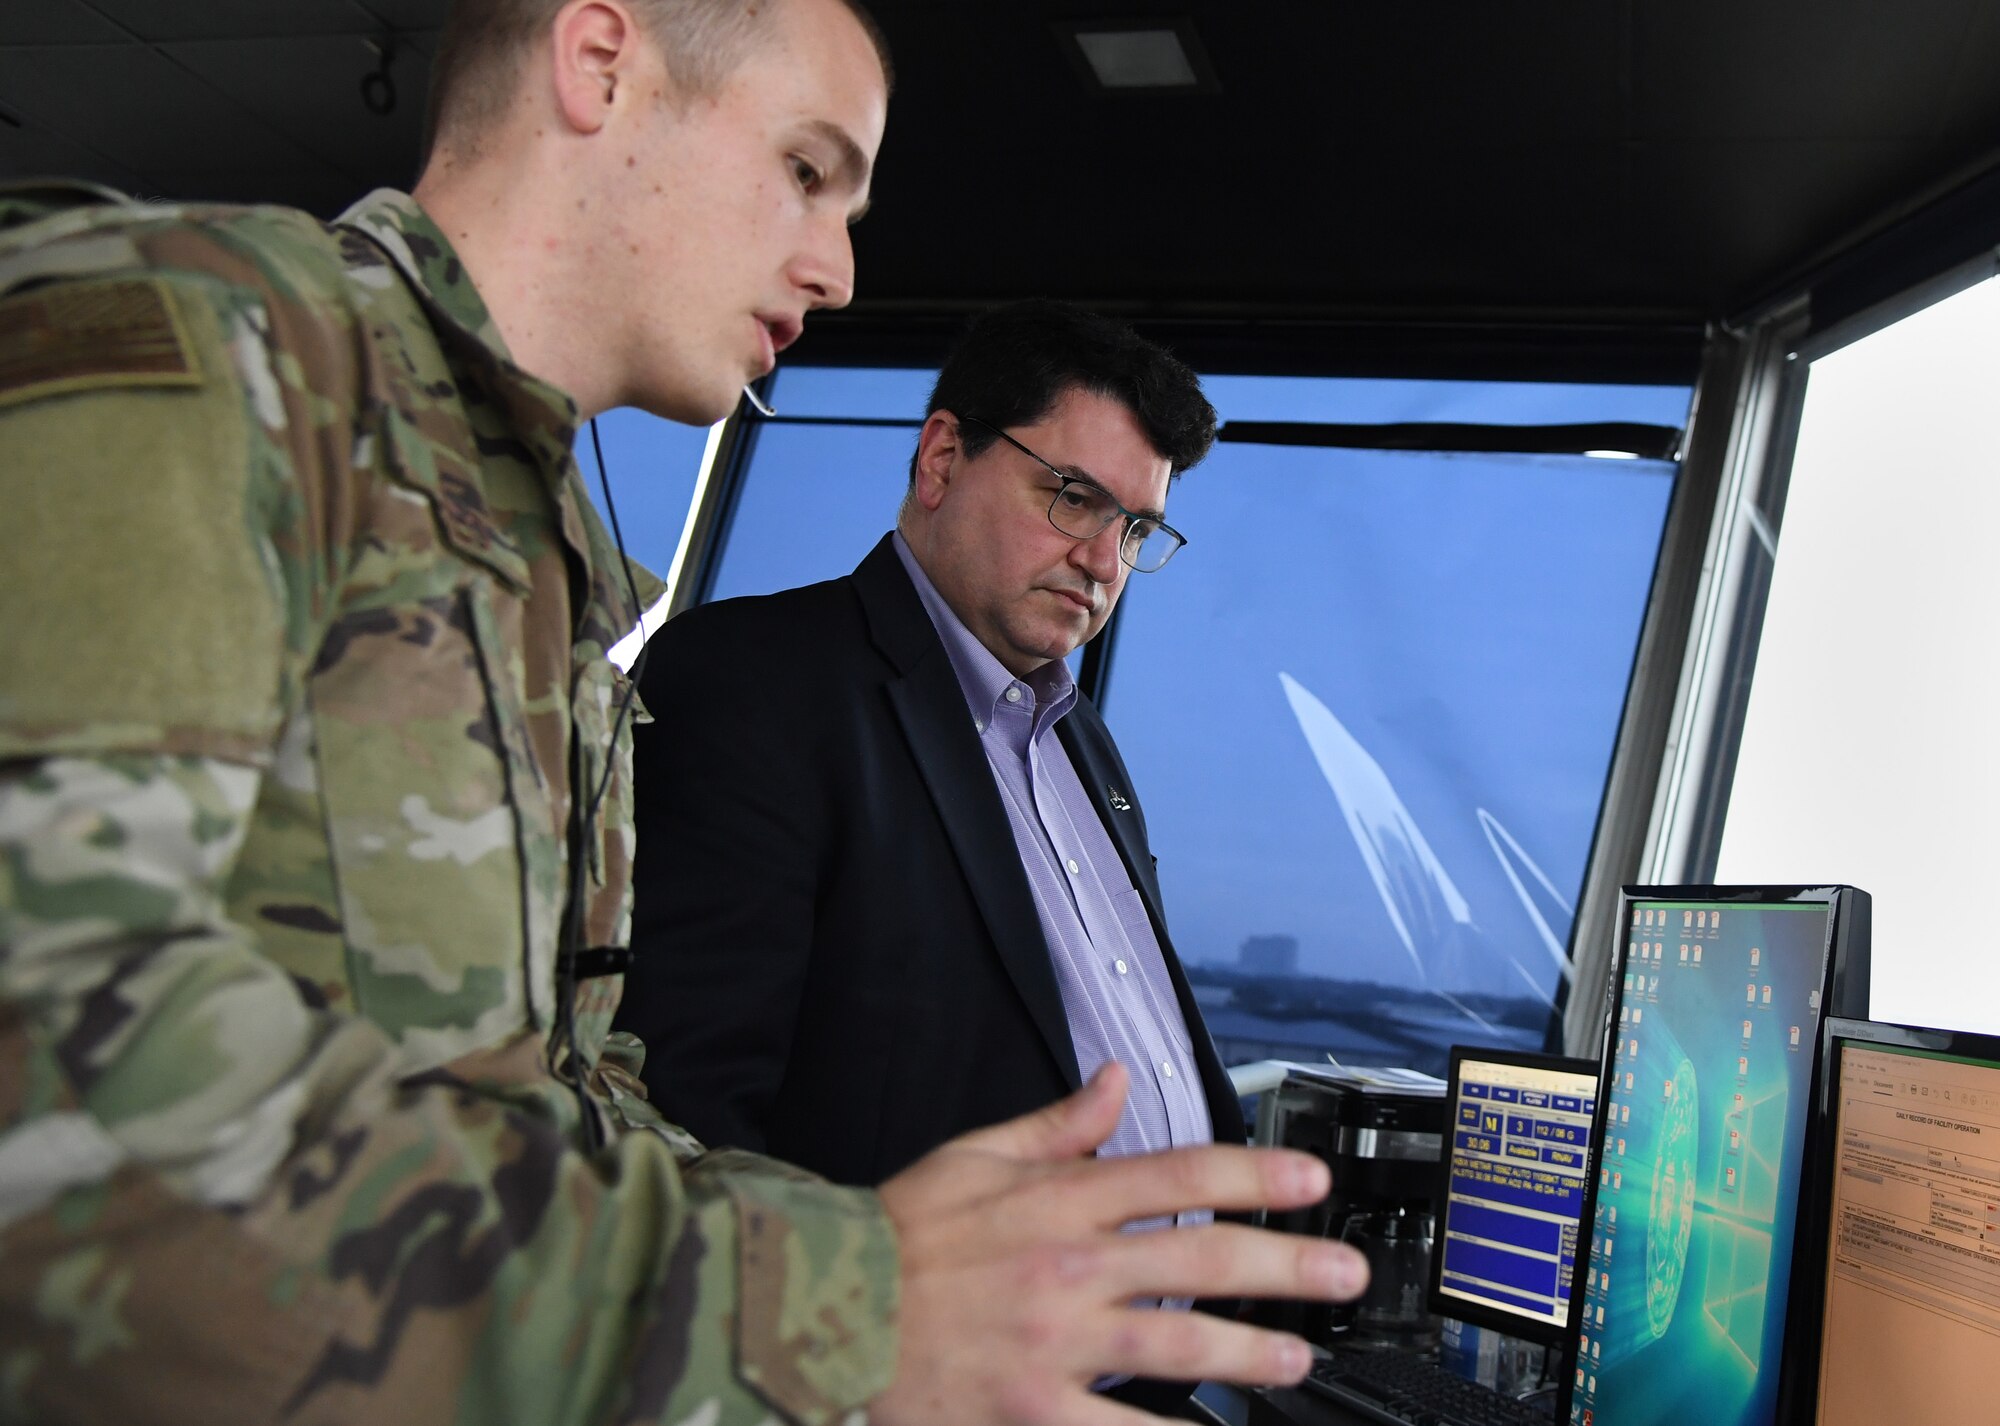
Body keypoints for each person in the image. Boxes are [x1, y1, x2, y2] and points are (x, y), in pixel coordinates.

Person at [0, 2, 1364, 1423]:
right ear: (600, 66)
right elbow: (45, 1073)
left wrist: (923, 1286)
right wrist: (849, 1301)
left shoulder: (540, 567)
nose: (838, 269)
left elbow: (560, 1103)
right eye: (806, 170)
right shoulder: (203, 333)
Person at [620, 302, 1239, 1199]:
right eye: (1074, 498)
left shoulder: (1087, 744)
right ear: (943, 458)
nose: (1106, 564)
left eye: (1136, 529)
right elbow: (686, 1107)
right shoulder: (754, 678)